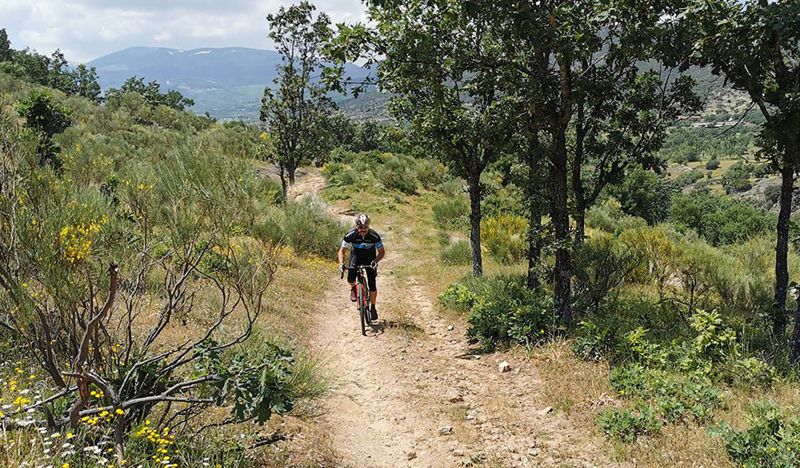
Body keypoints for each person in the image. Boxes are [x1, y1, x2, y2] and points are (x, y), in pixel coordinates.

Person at [338, 213, 385, 320]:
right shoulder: (350, 235)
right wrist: (341, 264)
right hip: (356, 256)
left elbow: (381, 252)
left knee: (372, 284)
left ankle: (373, 307)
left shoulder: (374, 236)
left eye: (365, 228)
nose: (363, 230)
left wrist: (376, 261)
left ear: (368, 226)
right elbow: (342, 251)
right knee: (350, 278)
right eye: (360, 228)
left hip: (370, 258)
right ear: (356, 226)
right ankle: (354, 288)